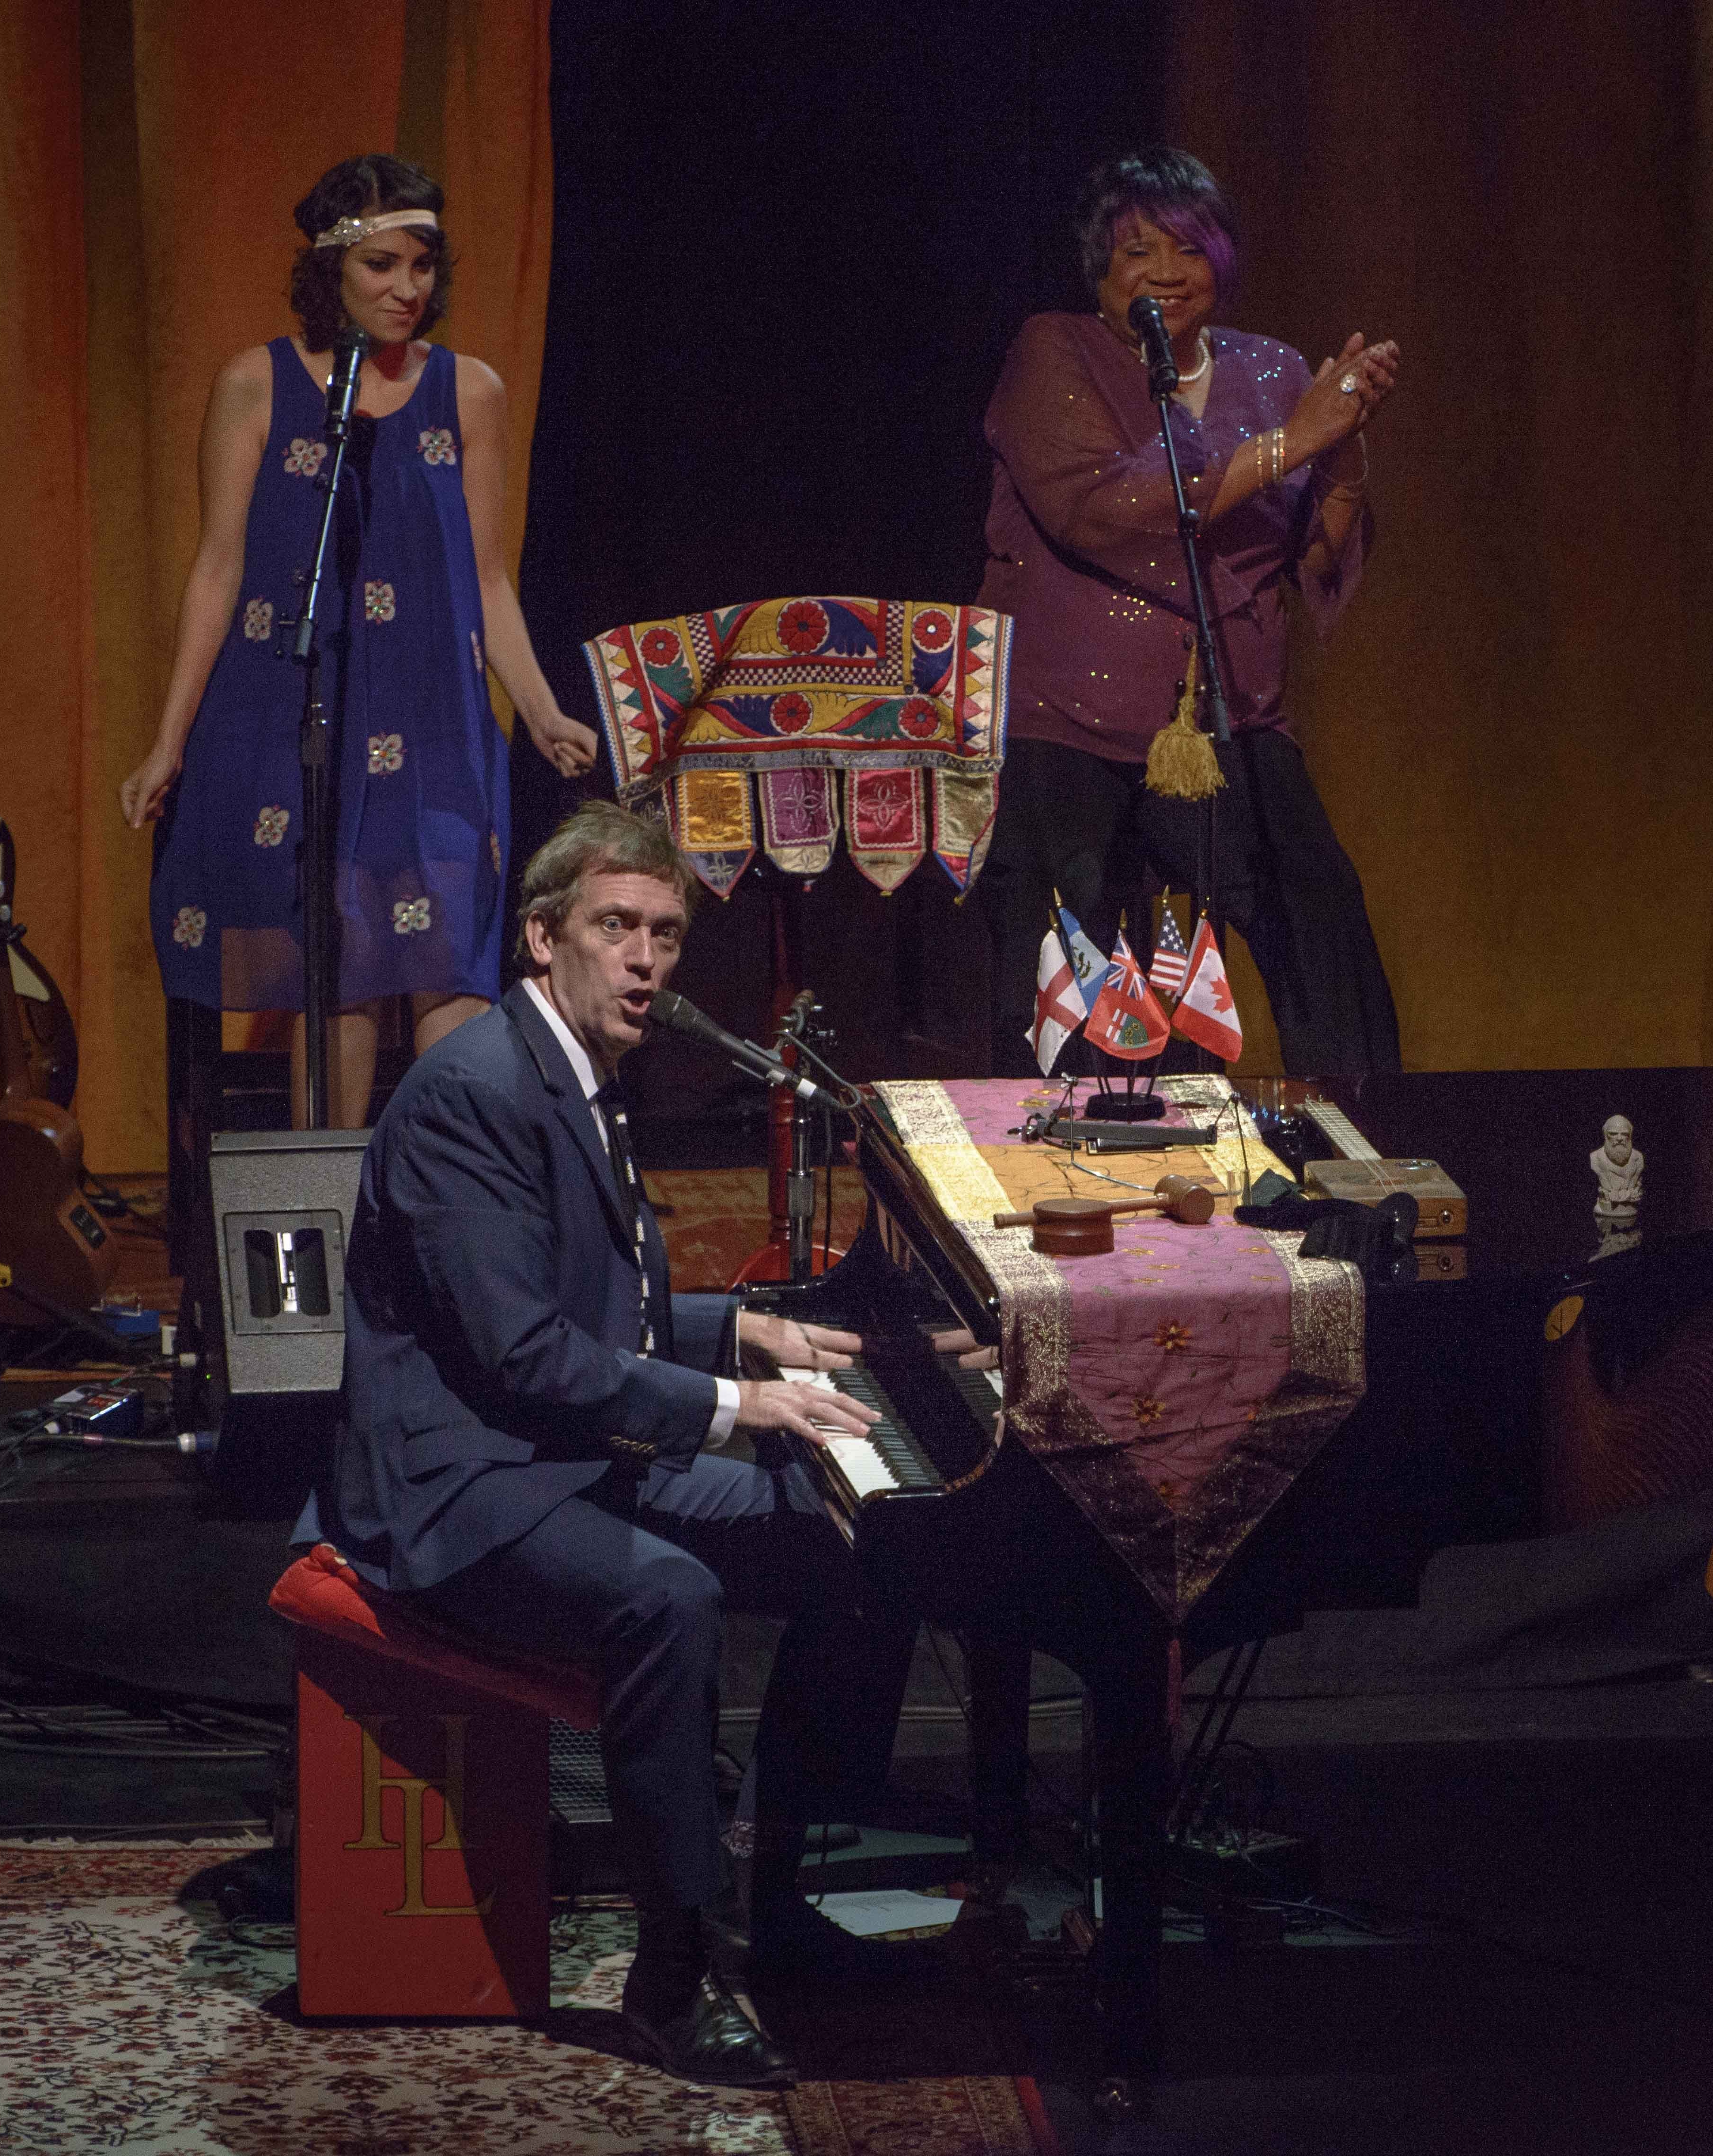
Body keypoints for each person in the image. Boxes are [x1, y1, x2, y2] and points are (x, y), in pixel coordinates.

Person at [315, 801, 917, 2088]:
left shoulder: (577, 1072)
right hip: (460, 1489)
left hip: (559, 1454)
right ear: (543, 939)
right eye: (615, 928)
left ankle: (777, 1886)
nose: (646, 961)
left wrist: (746, 1328)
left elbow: (599, 1304)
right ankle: (672, 1969)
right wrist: (733, 1404)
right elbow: (522, 1351)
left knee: (854, 1538)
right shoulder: (473, 1095)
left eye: (665, 934)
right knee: (667, 1596)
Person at [126, 153, 598, 1126]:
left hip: (435, 719)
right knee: (337, 966)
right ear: (329, 268)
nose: (406, 289)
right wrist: (169, 739)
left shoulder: (470, 391)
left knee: (449, 954)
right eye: (381, 265)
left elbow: (488, 578)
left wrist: (542, 709)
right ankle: (329, 1200)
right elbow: (218, 567)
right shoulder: (256, 383)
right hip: (303, 709)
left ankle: (455, 1185)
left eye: (421, 266)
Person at [972, 147, 1406, 1075]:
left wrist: (1342, 450)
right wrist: (1294, 440)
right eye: (1139, 251)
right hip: (1069, 722)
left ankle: (1361, 1132)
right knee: (1063, 969)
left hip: (1229, 717)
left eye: (1190, 249)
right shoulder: (1056, 352)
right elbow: (1106, 508)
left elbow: (1312, 554)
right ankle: (1048, 1151)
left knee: (1322, 918)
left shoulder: (1271, 369)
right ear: (1101, 268)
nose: (1166, 272)